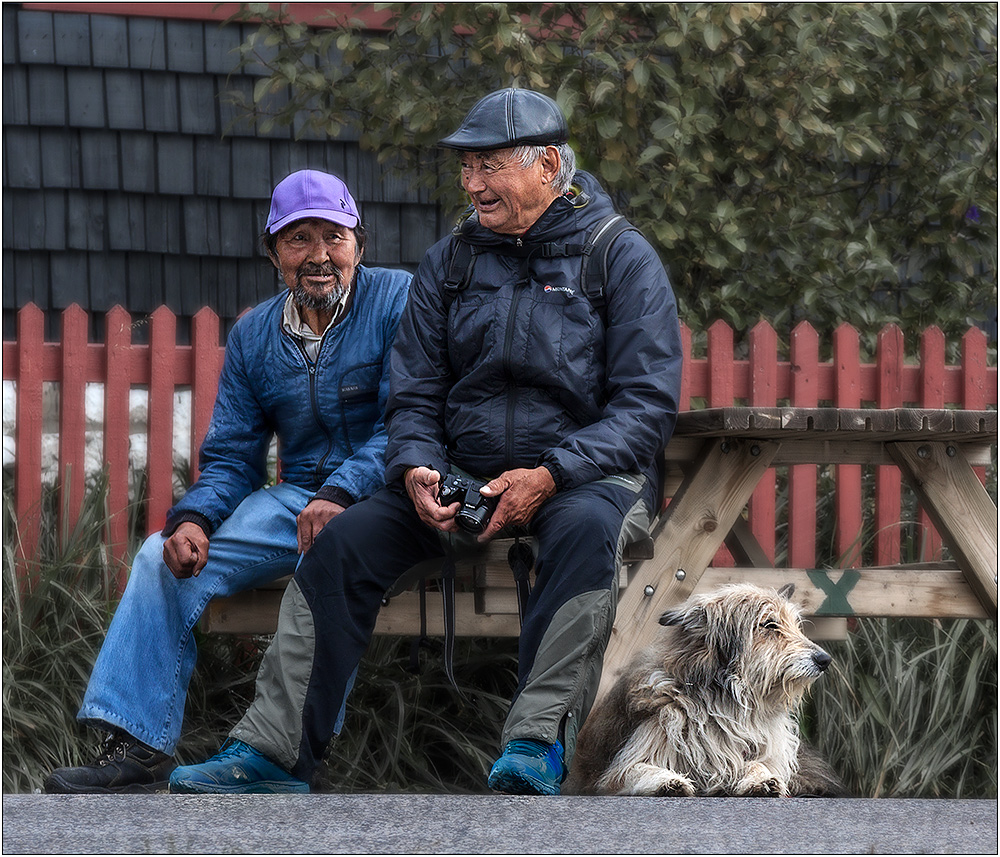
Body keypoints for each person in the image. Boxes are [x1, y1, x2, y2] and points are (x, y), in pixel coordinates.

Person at [169, 87, 682, 796]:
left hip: (584, 477)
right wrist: (414, 465)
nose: (472, 184)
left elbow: (647, 405)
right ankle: (273, 754)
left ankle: (535, 745)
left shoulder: (618, 258)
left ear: (547, 165)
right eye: (467, 167)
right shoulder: (451, 263)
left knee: (587, 531)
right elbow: (412, 392)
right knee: (342, 542)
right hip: (459, 470)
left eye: (489, 166)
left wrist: (552, 473)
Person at [43, 170, 412, 793]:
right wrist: (194, 518)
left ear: (360, 244)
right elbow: (234, 457)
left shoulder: (398, 300)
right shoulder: (254, 335)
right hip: (296, 499)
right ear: (273, 254)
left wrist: (342, 491)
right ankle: (134, 745)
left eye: (334, 236)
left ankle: (289, 752)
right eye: (298, 239)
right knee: (161, 556)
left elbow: (407, 422)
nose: (319, 255)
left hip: (384, 494)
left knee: (332, 551)